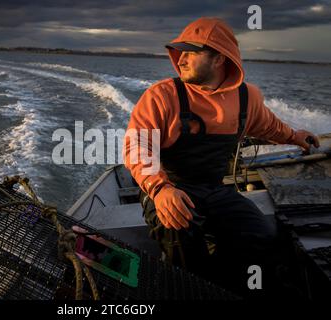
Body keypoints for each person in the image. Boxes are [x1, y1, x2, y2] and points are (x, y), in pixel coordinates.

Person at [123, 17, 320, 296]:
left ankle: (228, 286)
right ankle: (188, 288)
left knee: (261, 236)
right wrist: (159, 189)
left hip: (215, 190)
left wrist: (293, 136)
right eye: (180, 51)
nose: (181, 59)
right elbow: (137, 147)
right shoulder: (162, 96)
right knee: (180, 232)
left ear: (218, 58)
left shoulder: (246, 97)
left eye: (191, 52)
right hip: (169, 186)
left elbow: (268, 126)